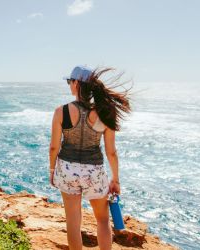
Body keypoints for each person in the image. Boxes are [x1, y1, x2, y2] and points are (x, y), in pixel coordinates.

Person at [49, 65, 132, 250]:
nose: (69, 85)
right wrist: (115, 179)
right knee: (102, 220)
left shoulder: (60, 112)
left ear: (77, 83)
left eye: (70, 81)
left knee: (73, 222)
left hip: (67, 170)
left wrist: (52, 170)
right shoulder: (104, 112)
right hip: (94, 172)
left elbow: (54, 146)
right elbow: (111, 152)